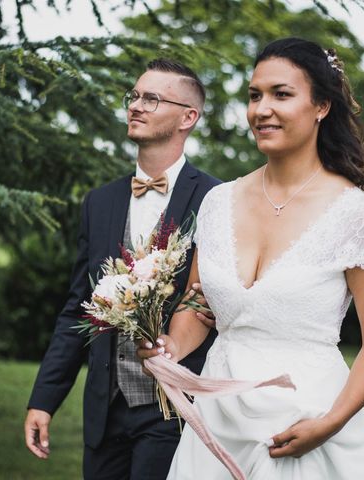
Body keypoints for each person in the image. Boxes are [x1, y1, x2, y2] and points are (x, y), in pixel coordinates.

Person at [138, 37, 364, 479]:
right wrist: (170, 348)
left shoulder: (355, 214)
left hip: (308, 421)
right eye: (254, 95)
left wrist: (331, 423)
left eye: (282, 94)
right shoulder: (218, 202)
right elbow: (199, 306)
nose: (262, 110)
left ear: (321, 106)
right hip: (217, 419)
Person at [24, 58, 220, 479]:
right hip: (106, 412)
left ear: (189, 117)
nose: (136, 105)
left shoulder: (218, 199)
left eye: (152, 98)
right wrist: (44, 399)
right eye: (134, 96)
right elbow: (79, 307)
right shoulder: (100, 202)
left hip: (176, 411)